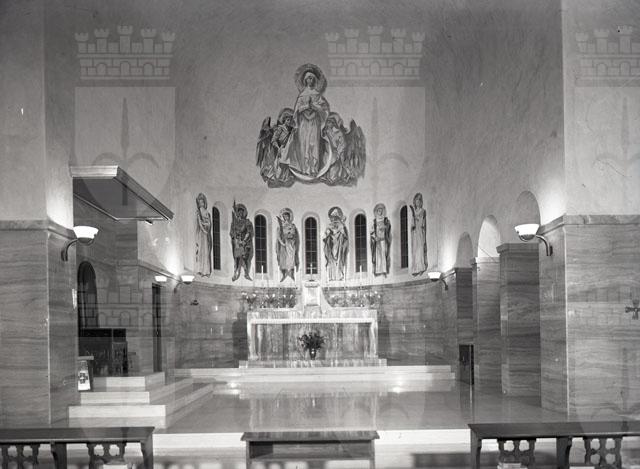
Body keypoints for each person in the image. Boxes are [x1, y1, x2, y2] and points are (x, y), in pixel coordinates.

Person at [281, 64, 330, 177]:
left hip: (314, 123)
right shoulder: (302, 95)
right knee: (304, 145)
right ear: (304, 80)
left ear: (315, 80)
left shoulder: (318, 95)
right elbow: (296, 111)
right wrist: (305, 107)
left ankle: (314, 168)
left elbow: (325, 110)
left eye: (312, 78)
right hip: (303, 123)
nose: (310, 80)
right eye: (308, 78)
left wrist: (315, 107)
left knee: (314, 144)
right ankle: (306, 169)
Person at [323, 207, 348, 281]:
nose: (333, 218)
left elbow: (345, 236)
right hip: (331, 245)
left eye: (335, 217)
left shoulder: (341, 225)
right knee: (331, 260)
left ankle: (339, 275)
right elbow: (324, 237)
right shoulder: (329, 226)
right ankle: (332, 276)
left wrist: (342, 232)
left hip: (339, 246)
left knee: (340, 259)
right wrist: (327, 234)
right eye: (332, 217)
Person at [230, 202, 254, 281]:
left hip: (244, 243)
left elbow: (249, 232)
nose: (240, 213)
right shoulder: (234, 223)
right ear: (237, 213)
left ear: (244, 213)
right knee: (236, 258)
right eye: (239, 212)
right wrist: (235, 237)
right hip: (237, 243)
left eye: (241, 212)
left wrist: (244, 240)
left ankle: (246, 273)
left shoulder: (247, 222)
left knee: (245, 258)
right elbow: (231, 233)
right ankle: (236, 273)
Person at [276, 208, 299, 282]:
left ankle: (291, 273)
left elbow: (295, 235)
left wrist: (293, 239)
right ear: (283, 217)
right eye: (285, 216)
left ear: (289, 217)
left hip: (291, 244)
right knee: (283, 259)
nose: (286, 217)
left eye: (287, 216)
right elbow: (278, 236)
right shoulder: (281, 226)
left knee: (291, 258)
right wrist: (281, 242)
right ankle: (283, 274)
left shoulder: (292, 225)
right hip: (284, 244)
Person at [371, 203, 391, 276]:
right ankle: (378, 270)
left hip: (383, 240)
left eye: (381, 210)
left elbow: (388, 228)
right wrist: (375, 237)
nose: (380, 212)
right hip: (377, 241)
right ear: (376, 212)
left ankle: (384, 269)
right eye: (378, 211)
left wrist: (385, 227)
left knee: (384, 254)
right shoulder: (374, 221)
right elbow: (372, 231)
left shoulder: (385, 220)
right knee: (378, 256)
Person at [195, 193, 212, 277]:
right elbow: (199, 223)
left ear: (204, 202)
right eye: (199, 202)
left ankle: (206, 270)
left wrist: (206, 226)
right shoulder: (198, 212)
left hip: (205, 234)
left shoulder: (206, 212)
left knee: (206, 251)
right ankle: (200, 269)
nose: (200, 204)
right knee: (200, 251)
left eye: (202, 202)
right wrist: (203, 228)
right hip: (201, 234)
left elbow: (209, 223)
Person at [411, 192, 428, 275]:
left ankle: (421, 267)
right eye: (416, 200)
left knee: (420, 249)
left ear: (421, 202)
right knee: (415, 250)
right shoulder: (414, 212)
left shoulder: (422, 211)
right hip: (414, 233)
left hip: (420, 232)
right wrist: (413, 226)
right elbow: (412, 223)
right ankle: (415, 268)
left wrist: (416, 219)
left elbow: (422, 222)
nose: (417, 202)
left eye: (419, 200)